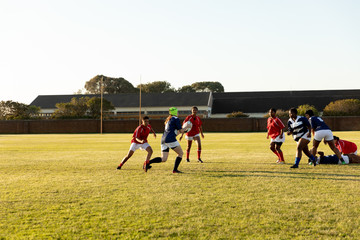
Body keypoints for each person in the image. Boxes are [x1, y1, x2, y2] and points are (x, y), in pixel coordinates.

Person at [145, 107, 188, 173]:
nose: (178, 113)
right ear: (175, 112)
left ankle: (148, 162)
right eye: (177, 111)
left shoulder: (168, 120)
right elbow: (181, 130)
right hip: (170, 139)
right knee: (180, 153)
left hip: (163, 139)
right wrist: (187, 127)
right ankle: (175, 170)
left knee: (163, 159)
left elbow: (174, 132)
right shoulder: (176, 118)